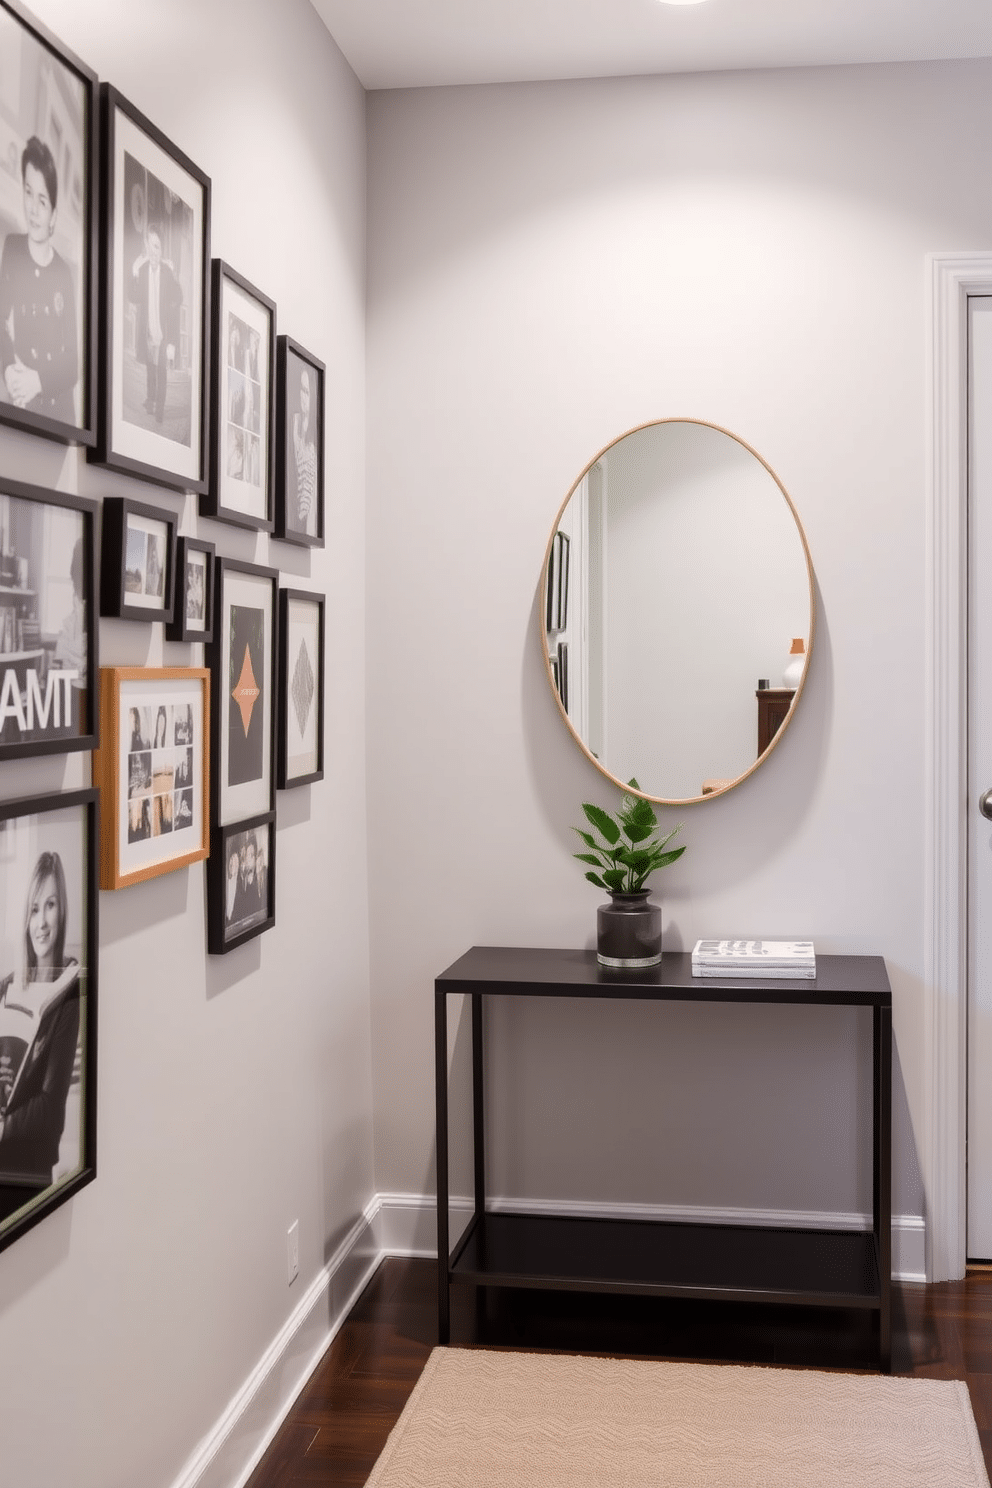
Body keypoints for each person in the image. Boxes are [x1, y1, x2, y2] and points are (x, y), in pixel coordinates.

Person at [0, 852, 80, 1186]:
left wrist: (3, 1127)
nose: (41, 922)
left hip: (29, 1172)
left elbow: (50, 1110)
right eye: (34, 909)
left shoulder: (70, 995)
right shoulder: (5, 987)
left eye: (50, 905)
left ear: (62, 910)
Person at [0, 136, 78, 424]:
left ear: (54, 216)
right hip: (20, 398)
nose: (32, 208)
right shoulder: (13, 249)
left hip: (56, 409)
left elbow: (73, 363)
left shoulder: (63, 273)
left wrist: (37, 381)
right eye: (28, 192)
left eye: (42, 201)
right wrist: (9, 369)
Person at [128, 223, 182, 425]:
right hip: (149, 332)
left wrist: (172, 342)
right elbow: (133, 297)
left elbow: (178, 298)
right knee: (151, 369)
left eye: (157, 246)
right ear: (146, 246)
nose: (153, 251)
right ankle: (151, 401)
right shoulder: (141, 272)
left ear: (162, 250)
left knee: (161, 373)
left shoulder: (167, 273)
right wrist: (133, 271)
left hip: (164, 334)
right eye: (151, 246)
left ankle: (160, 411)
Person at [291, 366, 317, 535]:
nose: (303, 397)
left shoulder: (314, 439)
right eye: (301, 390)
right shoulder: (294, 423)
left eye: (307, 392)